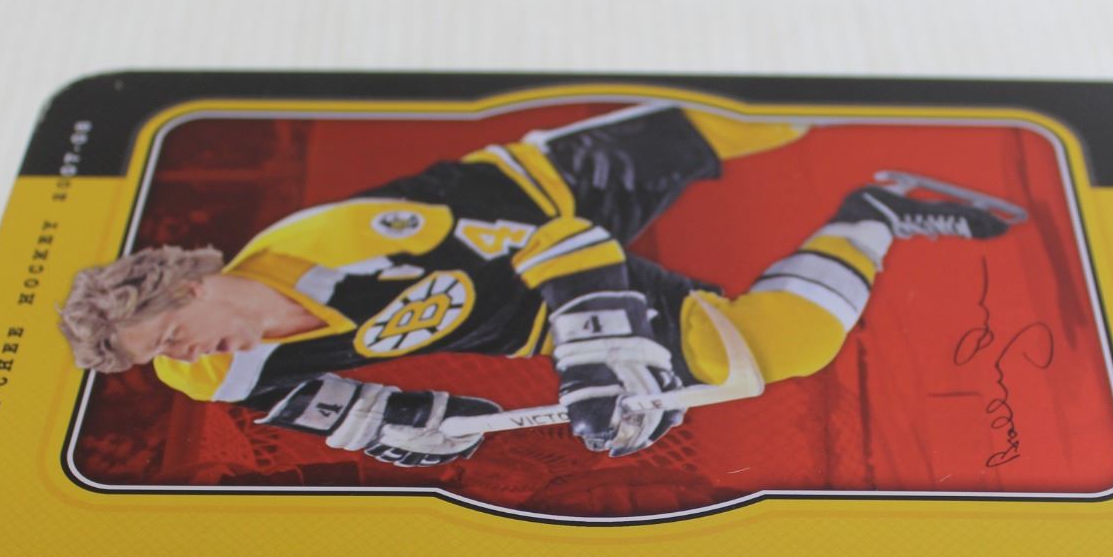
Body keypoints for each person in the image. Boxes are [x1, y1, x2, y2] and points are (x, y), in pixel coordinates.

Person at [57, 104, 1019, 466]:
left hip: (549, 198)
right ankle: (878, 211)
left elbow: (558, 242)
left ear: (190, 291)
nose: (178, 360)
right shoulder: (208, 374)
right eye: (158, 362)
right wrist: (419, 428)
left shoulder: (332, 243)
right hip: (528, 317)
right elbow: (364, 416)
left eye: (169, 338)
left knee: (757, 114)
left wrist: (608, 364)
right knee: (785, 351)